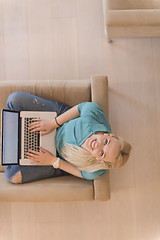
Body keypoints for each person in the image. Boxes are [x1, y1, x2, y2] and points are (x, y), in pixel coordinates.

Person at [5, 91, 131, 184]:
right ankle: (18, 134)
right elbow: (80, 108)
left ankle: (17, 136)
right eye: (106, 142)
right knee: (13, 99)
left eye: (102, 153)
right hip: (60, 122)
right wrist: (53, 123)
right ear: (110, 135)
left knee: (13, 176)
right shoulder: (95, 115)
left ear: (100, 160)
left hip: (57, 157)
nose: (98, 145)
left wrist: (51, 161)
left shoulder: (96, 170)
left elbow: (80, 173)